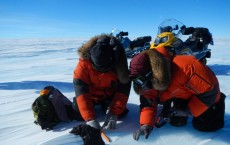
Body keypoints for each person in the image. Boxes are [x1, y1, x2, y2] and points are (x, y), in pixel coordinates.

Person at [129, 47, 225, 141]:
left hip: (207, 96)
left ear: (153, 74)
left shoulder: (187, 68)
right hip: (179, 94)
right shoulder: (147, 81)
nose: (145, 87)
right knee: (177, 122)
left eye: (146, 83)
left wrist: (189, 110)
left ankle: (217, 106)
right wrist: (146, 124)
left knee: (206, 127)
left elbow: (209, 93)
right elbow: (148, 102)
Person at [72, 34, 131, 131]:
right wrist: (90, 118)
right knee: (78, 113)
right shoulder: (83, 63)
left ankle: (107, 106)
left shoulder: (119, 63)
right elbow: (81, 89)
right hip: (91, 96)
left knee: (121, 113)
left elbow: (123, 89)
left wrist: (114, 113)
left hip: (108, 95)